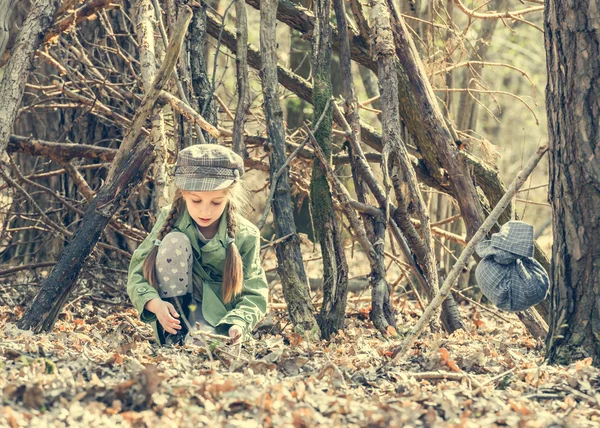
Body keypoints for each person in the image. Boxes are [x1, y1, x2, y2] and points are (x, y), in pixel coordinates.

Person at [127, 144, 268, 346]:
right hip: (171, 316)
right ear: (183, 194)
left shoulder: (246, 235)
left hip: (219, 319)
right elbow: (138, 272)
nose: (205, 211)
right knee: (175, 241)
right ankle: (174, 337)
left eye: (216, 202)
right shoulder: (170, 219)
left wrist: (238, 323)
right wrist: (155, 304)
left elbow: (255, 293)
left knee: (206, 345)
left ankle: (197, 338)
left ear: (229, 196)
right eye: (196, 200)